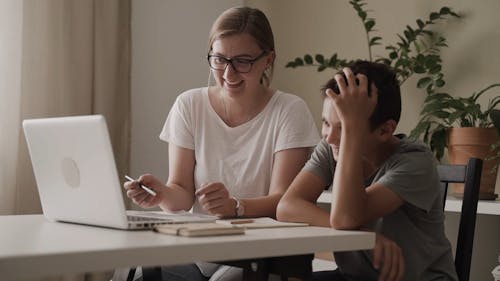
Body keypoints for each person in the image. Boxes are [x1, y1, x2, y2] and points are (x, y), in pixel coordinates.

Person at [123, 6, 320, 281]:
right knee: (129, 274)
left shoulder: (289, 111)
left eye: (243, 61)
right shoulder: (189, 105)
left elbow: (284, 203)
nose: (229, 73)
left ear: (268, 60)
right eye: (219, 59)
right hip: (198, 249)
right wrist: (162, 195)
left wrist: (236, 207)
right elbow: (181, 192)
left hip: (259, 253)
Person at [276, 60, 458, 281]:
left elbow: (345, 218)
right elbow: (287, 206)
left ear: (385, 130)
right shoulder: (332, 146)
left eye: (344, 127)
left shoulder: (415, 161)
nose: (330, 137)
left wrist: (350, 133)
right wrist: (364, 236)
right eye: (326, 123)